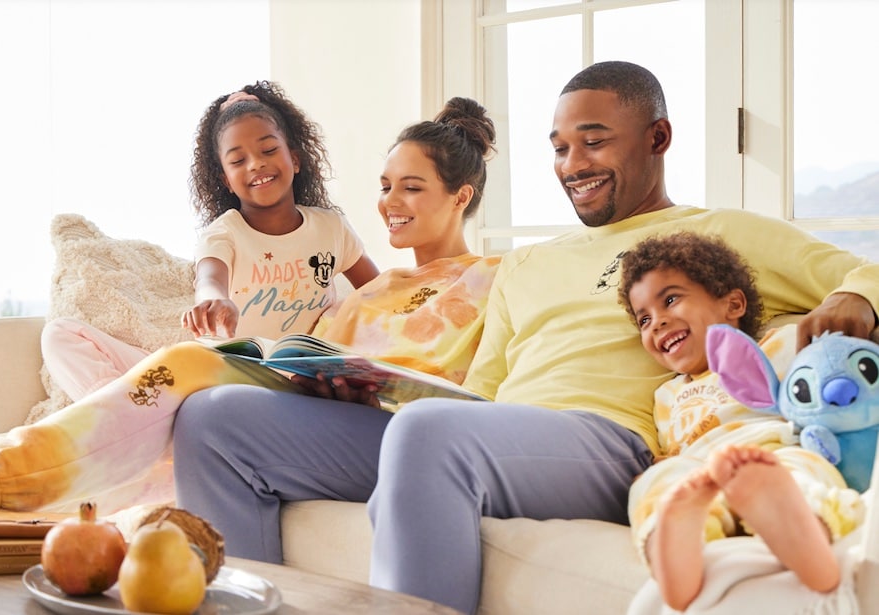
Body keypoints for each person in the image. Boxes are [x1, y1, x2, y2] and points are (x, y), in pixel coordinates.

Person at [171, 61, 879, 615]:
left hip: (604, 441)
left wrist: (852, 295)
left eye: (594, 141)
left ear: (657, 138)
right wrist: (365, 390)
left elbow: (861, 269)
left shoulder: (719, 231)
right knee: (214, 419)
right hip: (482, 430)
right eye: (561, 146)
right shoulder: (531, 262)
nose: (574, 163)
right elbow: (480, 390)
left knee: (427, 433)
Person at [0, 96, 500, 517]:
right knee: (182, 368)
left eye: (411, 187)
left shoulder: (494, 277)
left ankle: (6, 470)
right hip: (311, 399)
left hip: (403, 426)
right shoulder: (373, 290)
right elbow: (229, 287)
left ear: (460, 197)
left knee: (190, 368)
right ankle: (47, 467)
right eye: (385, 187)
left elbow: (487, 375)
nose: (389, 202)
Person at [40, 80, 379, 403]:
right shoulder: (224, 233)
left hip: (294, 386)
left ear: (296, 158)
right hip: (217, 376)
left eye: (269, 149)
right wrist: (215, 301)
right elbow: (210, 279)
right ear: (226, 180)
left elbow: (381, 293)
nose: (256, 163)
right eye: (238, 160)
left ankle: (146, 426)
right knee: (60, 335)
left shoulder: (330, 228)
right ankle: (118, 414)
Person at [617, 231, 863, 611]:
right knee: (654, 486)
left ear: (733, 303)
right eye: (644, 318)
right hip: (700, 470)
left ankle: (803, 529)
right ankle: (680, 543)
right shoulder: (664, 396)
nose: (657, 322)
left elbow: (823, 384)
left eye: (670, 300)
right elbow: (670, 449)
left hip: (772, 447)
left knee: (802, 468)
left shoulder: (779, 344)